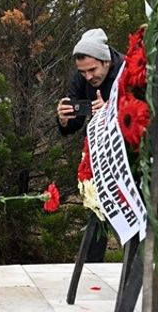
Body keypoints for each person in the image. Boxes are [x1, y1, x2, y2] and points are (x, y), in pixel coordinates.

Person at [55, 28, 123, 262]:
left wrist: (110, 113)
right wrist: (64, 120)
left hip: (128, 152)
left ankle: (137, 265)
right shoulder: (81, 78)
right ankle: (93, 265)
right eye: (82, 72)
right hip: (98, 153)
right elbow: (74, 122)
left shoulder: (127, 71)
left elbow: (143, 114)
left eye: (93, 70)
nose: (88, 77)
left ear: (107, 61)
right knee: (97, 208)